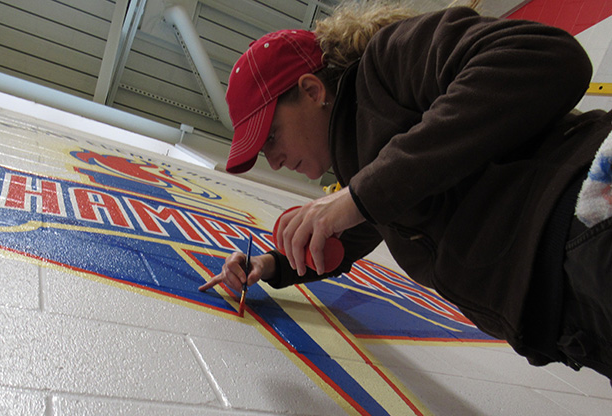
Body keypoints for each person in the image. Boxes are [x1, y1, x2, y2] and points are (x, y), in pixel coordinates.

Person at [199, 0, 612, 378]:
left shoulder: (386, 64)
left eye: (271, 137)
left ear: (311, 90)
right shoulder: (367, 167)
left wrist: (361, 195)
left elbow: (550, 57)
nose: (273, 161)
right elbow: (348, 231)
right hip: (569, 317)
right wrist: (269, 266)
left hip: (587, 221)